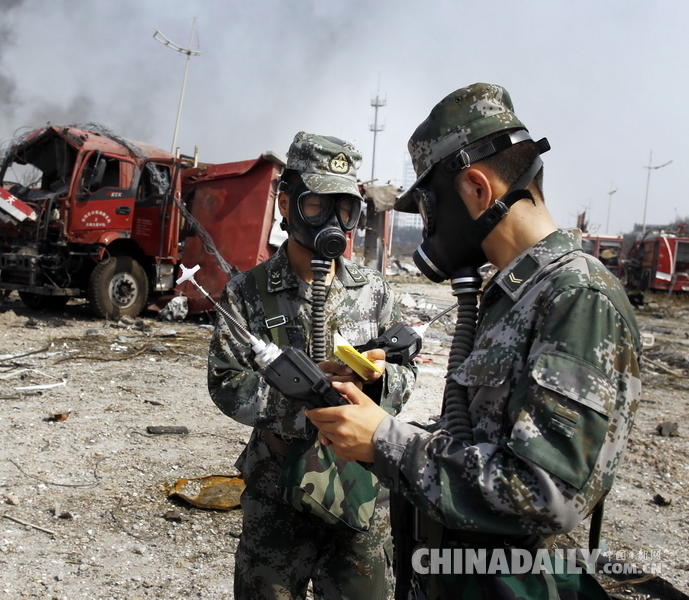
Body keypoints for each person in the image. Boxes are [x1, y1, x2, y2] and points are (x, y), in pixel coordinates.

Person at [306, 83, 642, 599]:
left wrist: (386, 441)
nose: (430, 229)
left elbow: (546, 493)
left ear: (477, 189)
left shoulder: (578, 297)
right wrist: (374, 415)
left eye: (429, 208)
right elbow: (481, 436)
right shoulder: (516, 293)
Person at [208, 132, 417, 599]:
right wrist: (305, 399)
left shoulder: (375, 291)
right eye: (318, 205)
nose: (333, 221)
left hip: (360, 487)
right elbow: (226, 381)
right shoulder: (248, 292)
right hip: (278, 488)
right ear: (286, 204)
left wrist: (375, 384)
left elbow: (407, 371)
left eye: (345, 209)